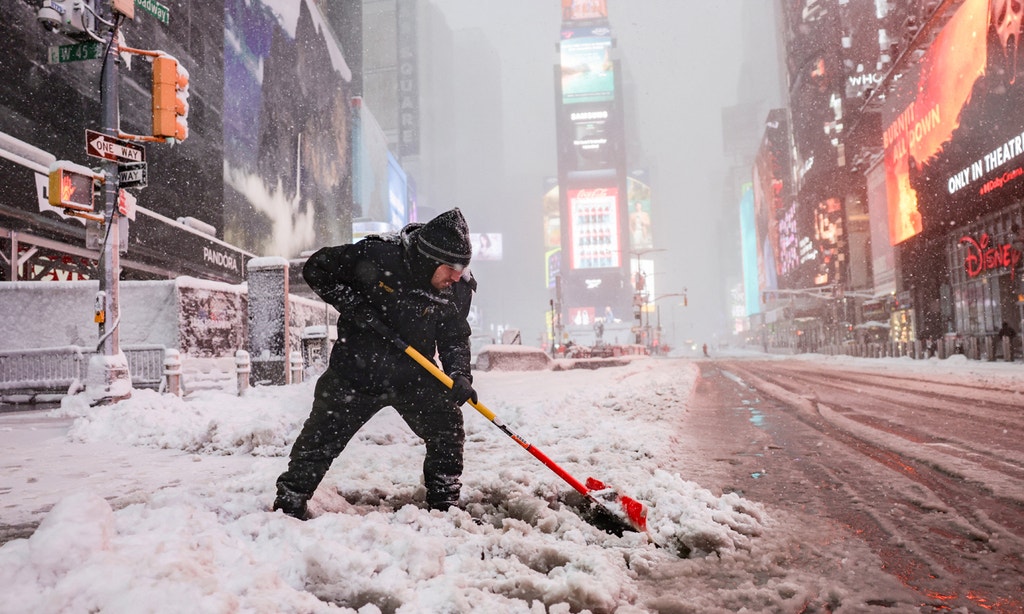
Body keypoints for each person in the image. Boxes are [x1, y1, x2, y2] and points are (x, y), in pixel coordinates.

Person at [273, 208, 478, 519]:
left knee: (447, 426)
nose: (456, 276)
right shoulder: (378, 256)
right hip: (356, 372)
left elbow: (454, 336)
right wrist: (353, 305)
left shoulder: (457, 289)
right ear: (430, 259)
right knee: (321, 437)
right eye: (451, 267)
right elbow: (317, 269)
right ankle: (290, 500)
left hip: (415, 374)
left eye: (462, 267)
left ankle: (444, 503)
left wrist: (459, 373)